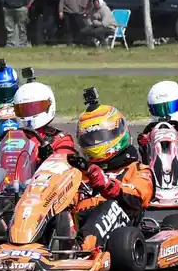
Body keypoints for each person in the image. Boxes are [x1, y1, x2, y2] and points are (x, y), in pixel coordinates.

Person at [62, 101, 155, 250]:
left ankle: (82, 248)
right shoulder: (80, 173)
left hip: (120, 227)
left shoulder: (138, 169)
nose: (94, 143)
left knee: (109, 206)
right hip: (79, 221)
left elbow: (139, 197)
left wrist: (107, 184)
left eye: (99, 137)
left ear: (117, 132)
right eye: (89, 139)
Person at [11, 72, 75, 160]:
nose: (29, 112)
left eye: (34, 108)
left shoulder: (60, 139)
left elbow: (64, 163)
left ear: (49, 104)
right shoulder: (13, 137)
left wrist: (49, 157)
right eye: (24, 109)